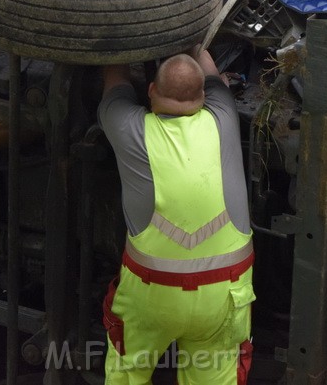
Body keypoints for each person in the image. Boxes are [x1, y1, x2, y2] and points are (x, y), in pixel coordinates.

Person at [98, 47, 254, 385]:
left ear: (151, 90)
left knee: (128, 375)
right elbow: (209, 69)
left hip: (151, 297)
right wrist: (189, 32)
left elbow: (115, 76)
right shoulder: (224, 117)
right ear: (204, 96)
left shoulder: (128, 127)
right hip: (223, 299)